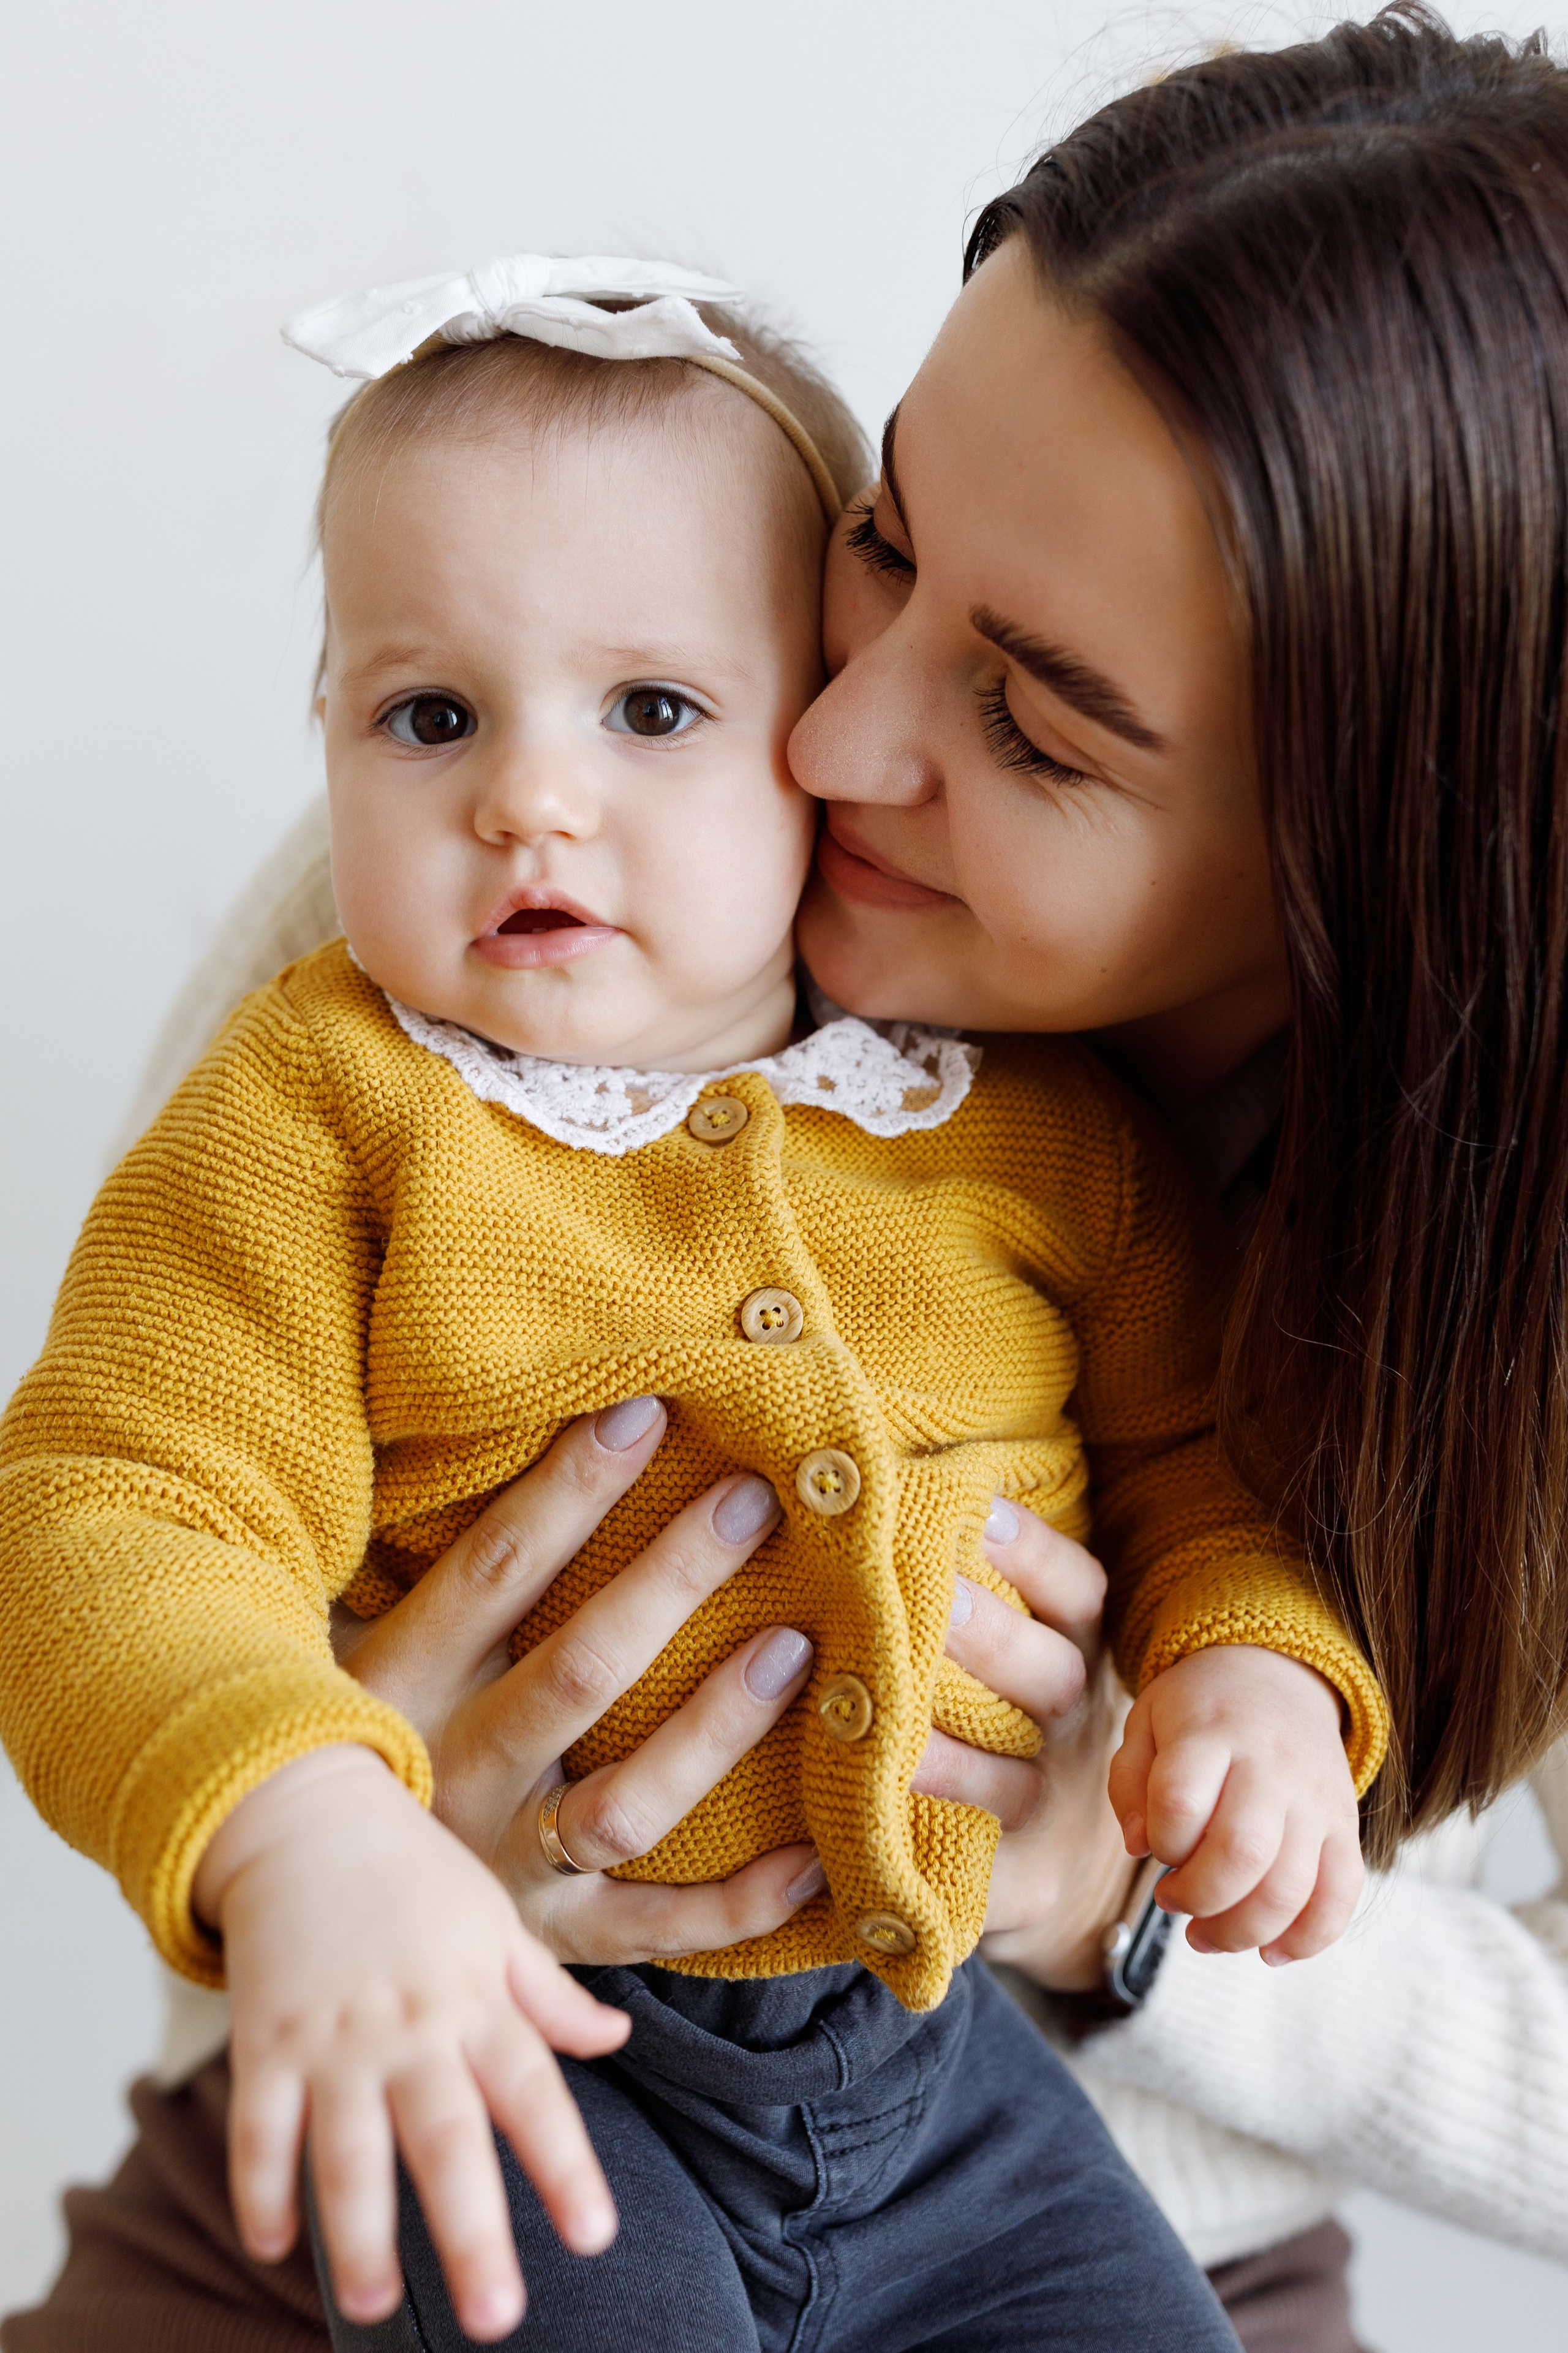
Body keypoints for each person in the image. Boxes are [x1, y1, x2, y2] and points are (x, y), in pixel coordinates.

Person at [12, 9, 1568, 2351]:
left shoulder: (1108, 1165)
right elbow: (128, 1502)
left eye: (1033, 717)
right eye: (886, 542)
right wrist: (338, 1811)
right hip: (469, 2119)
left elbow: (1198, 1479)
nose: (830, 737)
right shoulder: (462, 960)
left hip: (1042, 2163)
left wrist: (1139, 1873)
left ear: (1369, 876)